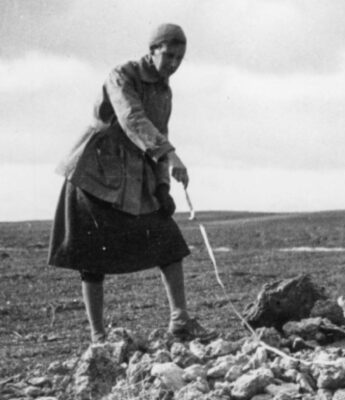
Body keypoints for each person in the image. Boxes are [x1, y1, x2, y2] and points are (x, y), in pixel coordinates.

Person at [48, 23, 216, 343]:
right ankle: (99, 338)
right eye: (168, 55)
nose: (174, 64)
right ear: (152, 51)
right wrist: (172, 155)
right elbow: (132, 119)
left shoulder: (164, 90)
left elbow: (160, 134)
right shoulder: (121, 76)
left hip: (135, 180)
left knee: (169, 241)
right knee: (92, 259)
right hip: (94, 175)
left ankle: (180, 322)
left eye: (180, 58)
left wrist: (163, 185)